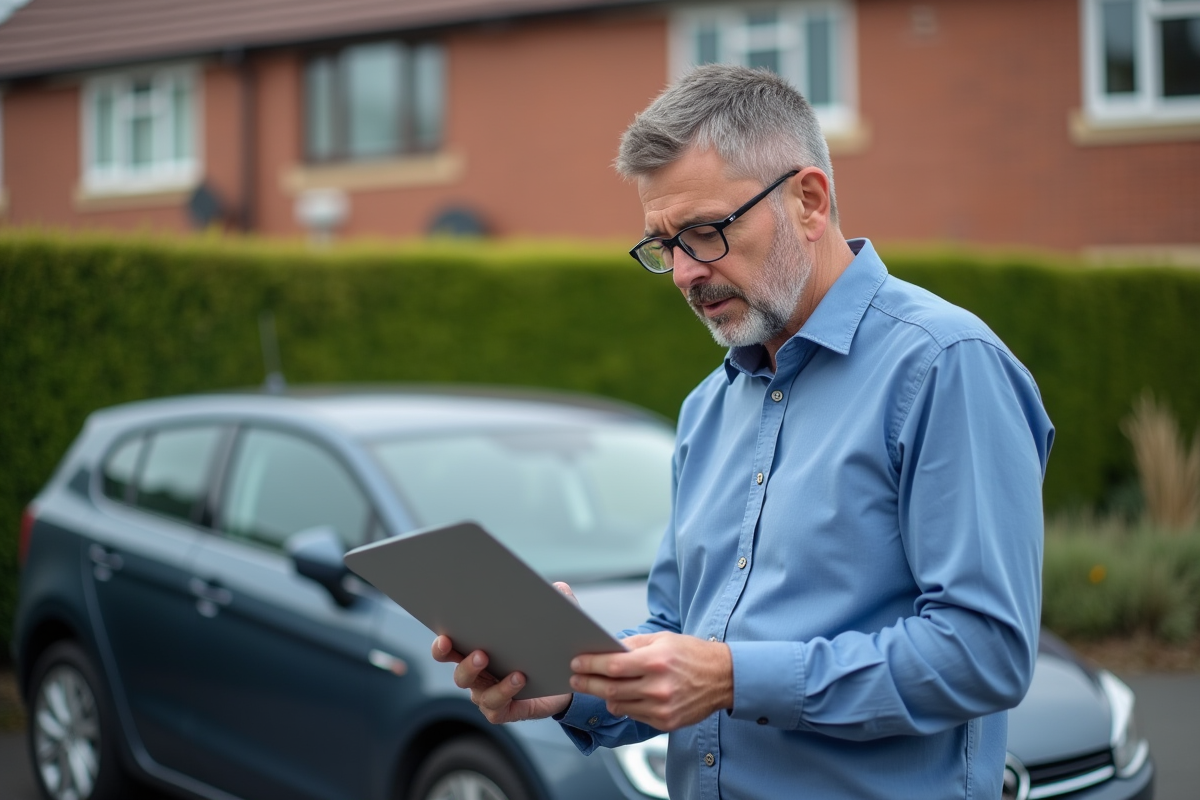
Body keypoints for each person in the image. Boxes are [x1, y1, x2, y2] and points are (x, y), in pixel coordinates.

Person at [433, 63, 1054, 800]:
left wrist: (733, 678)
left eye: (704, 233)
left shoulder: (946, 365)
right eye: (663, 246)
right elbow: (677, 630)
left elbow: (984, 653)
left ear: (810, 200)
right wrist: (572, 685)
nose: (684, 275)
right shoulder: (708, 408)